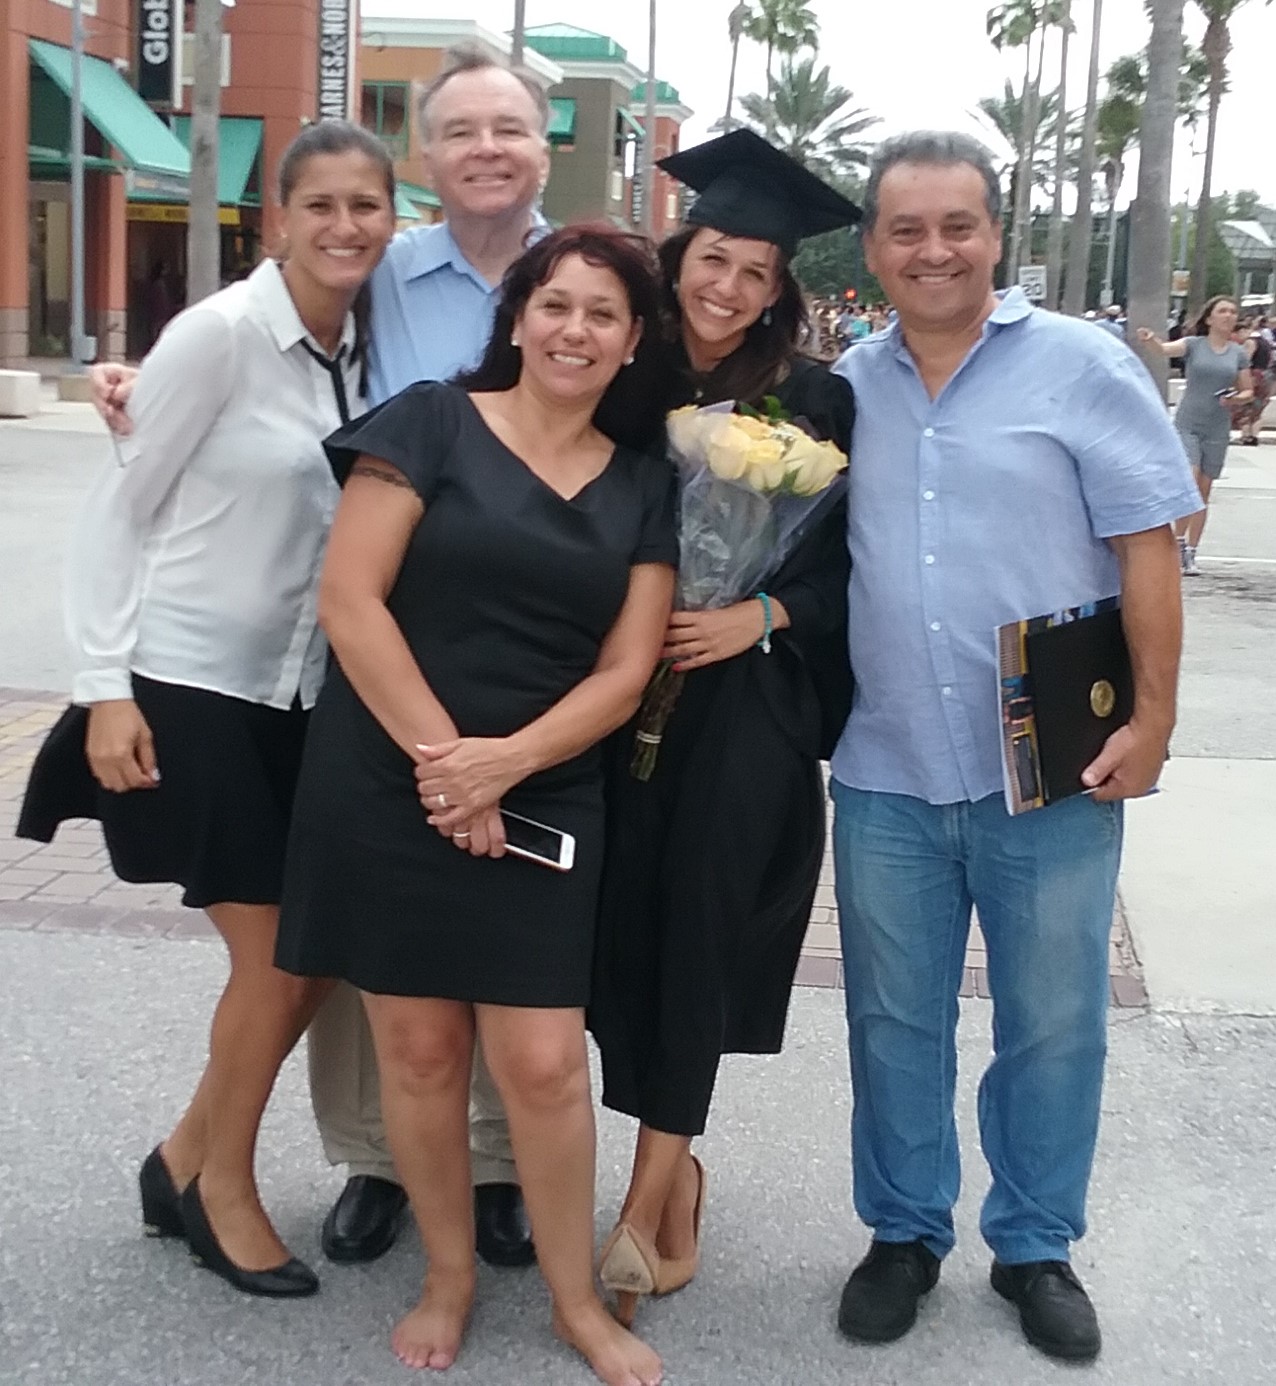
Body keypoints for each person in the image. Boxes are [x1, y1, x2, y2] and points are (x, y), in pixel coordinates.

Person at [87, 46, 551, 1270]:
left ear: (543, 144)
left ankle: (491, 1164)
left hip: (513, 646)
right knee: (340, 931)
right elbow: (237, 346)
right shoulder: (377, 271)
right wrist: (140, 379)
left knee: (501, 905)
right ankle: (374, 1156)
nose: (487, 149)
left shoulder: (583, 274)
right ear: (430, 159)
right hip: (353, 646)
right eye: (462, 131)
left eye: (509, 127)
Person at [273, 223, 675, 1383]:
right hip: (388, 773)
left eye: (602, 314)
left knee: (543, 1063)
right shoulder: (428, 423)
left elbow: (626, 669)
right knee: (418, 1048)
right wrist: (449, 766)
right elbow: (351, 601)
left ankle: (572, 1300)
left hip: (548, 788)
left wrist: (505, 766)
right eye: (555, 304)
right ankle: (446, 1275)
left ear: (631, 342)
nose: (574, 330)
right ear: (518, 315)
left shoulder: (645, 482)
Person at [829, 132, 1201, 1363]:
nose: (932, 250)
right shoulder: (844, 387)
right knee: (892, 1020)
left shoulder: (1084, 368)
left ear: (996, 235)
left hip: (1053, 773)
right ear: (873, 248)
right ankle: (902, 1232)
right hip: (885, 765)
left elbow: (1148, 548)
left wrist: (1152, 723)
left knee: (1052, 1022)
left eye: (957, 226)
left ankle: (1035, 1244)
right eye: (906, 230)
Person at [16, 121, 398, 1297]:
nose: (343, 225)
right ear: (278, 218)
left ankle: (182, 1156)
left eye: (366, 205)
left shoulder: (364, 349)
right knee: (281, 960)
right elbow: (116, 512)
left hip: (296, 696)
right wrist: (102, 689)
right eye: (320, 204)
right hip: (186, 685)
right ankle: (217, 1188)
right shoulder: (221, 335)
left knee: (309, 957)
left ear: (393, 222)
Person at [587, 129, 858, 1327]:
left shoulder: (814, 398)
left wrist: (759, 613)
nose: (729, 286)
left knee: (698, 934)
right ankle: (664, 1172)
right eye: (714, 259)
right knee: (615, 938)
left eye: (757, 271)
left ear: (778, 286)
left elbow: (847, 564)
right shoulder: (618, 370)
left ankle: (646, 1204)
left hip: (743, 704)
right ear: (679, 254)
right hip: (609, 697)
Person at [1137, 295, 1253, 575]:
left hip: (1218, 426)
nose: (1229, 315)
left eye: (1233, 311)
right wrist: (1151, 340)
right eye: (1222, 311)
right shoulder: (1194, 345)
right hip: (1188, 422)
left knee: (1203, 490)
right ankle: (1177, 541)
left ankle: (1191, 550)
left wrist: (1235, 399)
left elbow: (1248, 390)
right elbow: (1164, 350)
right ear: (1209, 318)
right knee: (1190, 478)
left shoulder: (1238, 353)